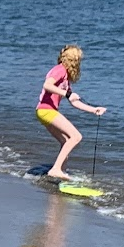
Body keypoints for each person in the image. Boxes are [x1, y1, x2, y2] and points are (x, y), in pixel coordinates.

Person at [35, 43, 106, 180]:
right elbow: (47, 85)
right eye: (78, 60)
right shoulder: (59, 69)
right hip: (46, 110)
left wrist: (93, 110)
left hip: (44, 112)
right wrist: (67, 94)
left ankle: (61, 171)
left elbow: (74, 102)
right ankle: (56, 169)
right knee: (76, 137)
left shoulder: (65, 79)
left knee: (66, 140)